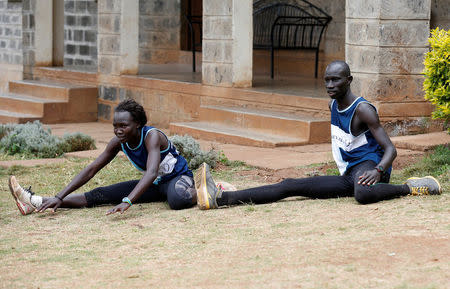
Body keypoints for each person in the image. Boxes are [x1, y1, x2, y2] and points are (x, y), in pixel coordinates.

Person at [194, 60, 442, 210]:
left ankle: (410, 188)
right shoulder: (332, 105)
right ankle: (221, 198)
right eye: (327, 80)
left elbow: (391, 149)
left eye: (336, 80)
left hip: (369, 169)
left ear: (349, 80)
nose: (330, 85)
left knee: (363, 194)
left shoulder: (363, 110)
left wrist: (378, 171)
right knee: (290, 186)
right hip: (349, 174)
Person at [9, 99, 197, 215]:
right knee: (101, 194)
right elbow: (91, 169)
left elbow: (151, 172)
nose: (118, 130)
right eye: (115, 125)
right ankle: (34, 202)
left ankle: (211, 190)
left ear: (138, 124)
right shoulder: (118, 142)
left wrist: (127, 201)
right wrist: (60, 196)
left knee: (177, 200)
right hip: (155, 185)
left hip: (178, 179)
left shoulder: (151, 136)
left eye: (124, 125)